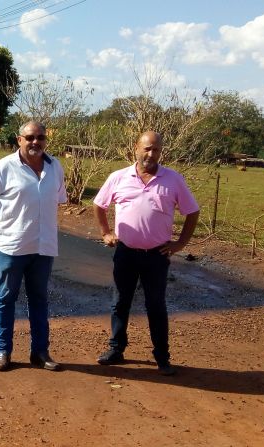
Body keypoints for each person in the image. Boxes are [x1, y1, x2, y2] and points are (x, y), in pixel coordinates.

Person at [93, 131, 200, 376]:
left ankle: (162, 356)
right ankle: (116, 349)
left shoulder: (173, 180)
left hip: (156, 255)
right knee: (120, 301)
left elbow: (192, 212)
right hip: (126, 252)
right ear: (136, 149)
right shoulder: (119, 177)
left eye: (157, 150)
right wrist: (106, 233)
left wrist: (180, 244)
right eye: (147, 148)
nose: (151, 154)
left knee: (156, 305)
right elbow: (99, 205)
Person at [0, 121, 67, 372]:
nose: (35, 142)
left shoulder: (55, 167)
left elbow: (58, 199)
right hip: (12, 246)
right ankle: (3, 351)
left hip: (44, 246)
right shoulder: (3, 168)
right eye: (30, 137)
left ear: (46, 140)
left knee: (39, 299)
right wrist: (6, 221)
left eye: (40, 137)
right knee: (6, 298)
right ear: (19, 140)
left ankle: (40, 352)